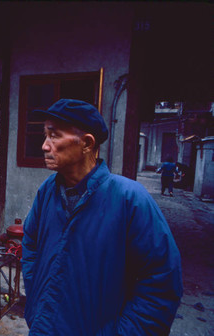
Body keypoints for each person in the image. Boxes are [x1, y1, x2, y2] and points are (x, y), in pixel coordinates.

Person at [21, 99, 182, 335]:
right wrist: (37, 300)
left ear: (87, 143)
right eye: (45, 135)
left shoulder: (129, 199)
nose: (45, 146)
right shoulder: (48, 191)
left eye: (54, 136)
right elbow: (31, 243)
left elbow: (161, 284)